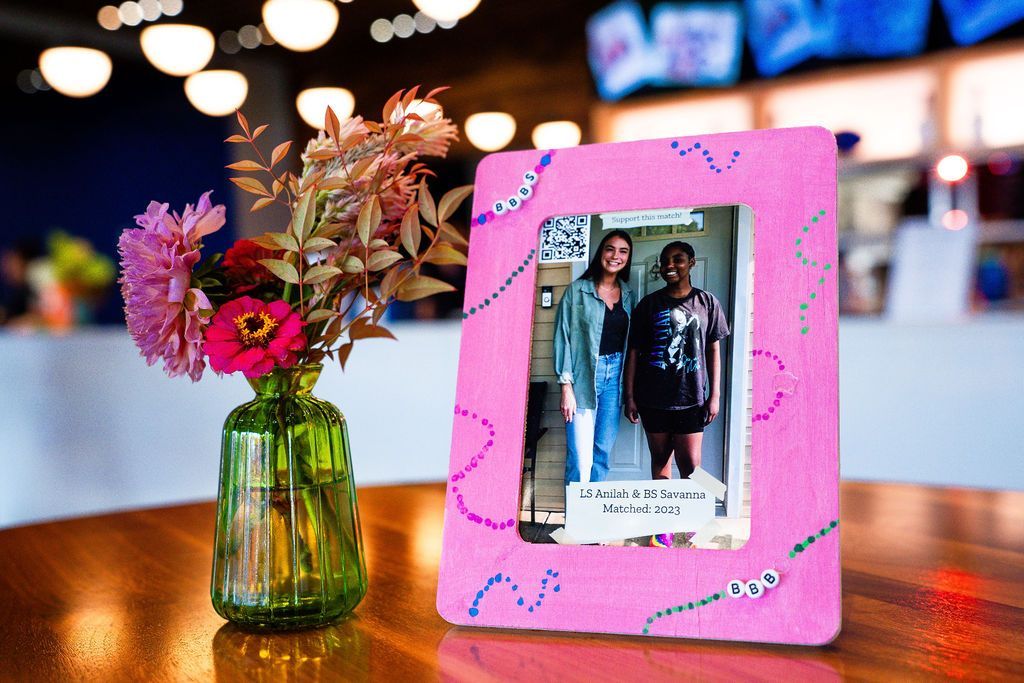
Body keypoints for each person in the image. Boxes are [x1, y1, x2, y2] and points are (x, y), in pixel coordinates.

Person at [623, 241, 729, 546]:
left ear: (691, 262)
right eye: (665, 260)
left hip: (691, 398)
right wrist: (629, 396)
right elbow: (634, 352)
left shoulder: (707, 302)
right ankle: (663, 526)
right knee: (660, 463)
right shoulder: (648, 305)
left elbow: (713, 350)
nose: (670, 265)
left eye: (678, 259)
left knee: (692, 467)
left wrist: (715, 395)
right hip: (652, 398)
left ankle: (697, 520)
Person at [553, 230, 634, 486]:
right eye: (610, 249)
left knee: (601, 454)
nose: (616, 256)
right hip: (584, 377)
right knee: (580, 459)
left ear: (628, 258)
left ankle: (593, 511)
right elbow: (563, 338)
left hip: (615, 378)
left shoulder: (628, 295)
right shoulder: (577, 291)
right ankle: (575, 512)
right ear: (601, 252)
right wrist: (566, 387)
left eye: (623, 251)